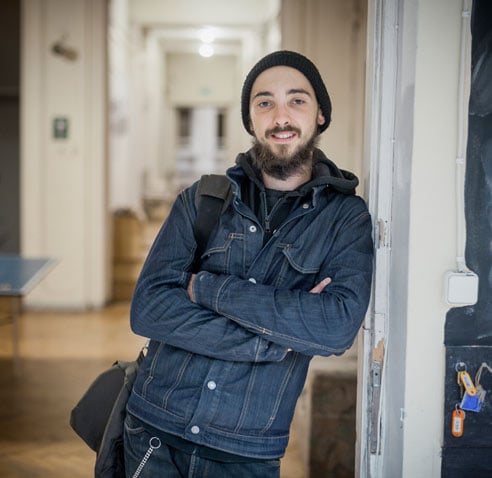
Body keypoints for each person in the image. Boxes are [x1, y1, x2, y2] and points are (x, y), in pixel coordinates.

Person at [124, 50, 374, 478]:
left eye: (296, 100)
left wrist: (205, 289)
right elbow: (148, 308)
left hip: (246, 451)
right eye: (264, 102)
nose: (280, 116)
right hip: (153, 430)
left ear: (320, 116)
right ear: (250, 119)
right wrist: (270, 342)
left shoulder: (345, 219)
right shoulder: (202, 200)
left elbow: (334, 328)